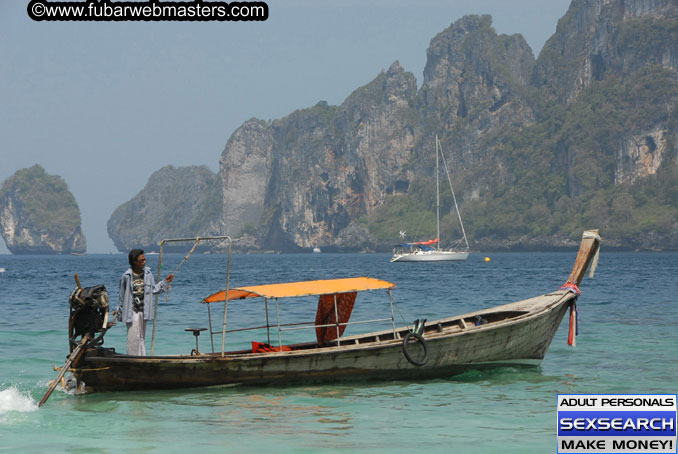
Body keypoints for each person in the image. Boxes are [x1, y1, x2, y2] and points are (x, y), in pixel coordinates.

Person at [117, 249, 173, 355]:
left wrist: (165, 282)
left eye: (144, 260)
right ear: (134, 262)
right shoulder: (126, 276)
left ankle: (142, 357)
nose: (144, 262)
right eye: (141, 260)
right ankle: (132, 359)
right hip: (131, 311)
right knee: (133, 337)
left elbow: (154, 290)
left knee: (141, 337)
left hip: (144, 310)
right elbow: (122, 296)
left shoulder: (148, 274)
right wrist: (119, 311)